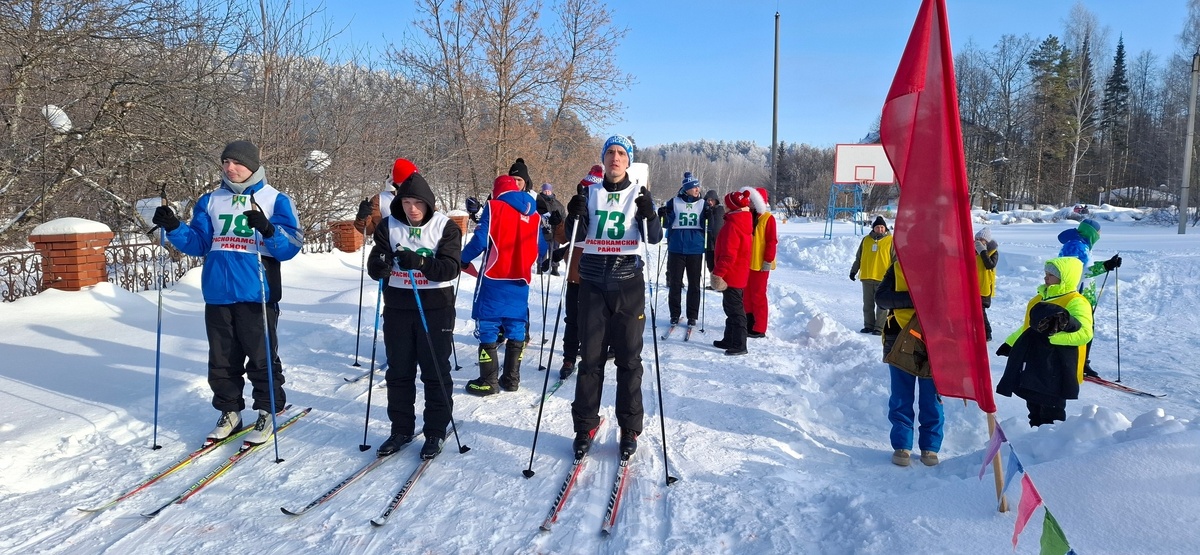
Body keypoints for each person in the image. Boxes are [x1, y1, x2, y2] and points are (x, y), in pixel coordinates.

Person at [152, 140, 303, 445]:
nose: (230, 168)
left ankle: (267, 410)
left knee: (261, 358)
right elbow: (199, 243)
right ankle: (229, 411)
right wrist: (175, 226)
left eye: (237, 162)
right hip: (218, 292)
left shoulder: (275, 199)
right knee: (221, 361)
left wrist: (269, 230)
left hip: (257, 293)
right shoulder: (210, 200)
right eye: (225, 162)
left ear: (253, 166)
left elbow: (291, 246)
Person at [566, 135, 662, 460]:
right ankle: (585, 426)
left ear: (628, 160)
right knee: (590, 361)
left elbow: (654, 237)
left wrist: (650, 214)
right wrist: (573, 215)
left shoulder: (638, 194)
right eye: (610, 152)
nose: (615, 158)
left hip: (627, 285)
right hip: (593, 284)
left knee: (629, 360)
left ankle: (629, 428)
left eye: (621, 153)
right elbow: (575, 236)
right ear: (603, 158)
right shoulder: (589, 192)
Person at [365, 168, 462, 460]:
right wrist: (378, 266)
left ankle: (435, 430)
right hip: (397, 306)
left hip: (435, 307)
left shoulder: (445, 227)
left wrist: (420, 262)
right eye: (407, 202)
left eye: (418, 203)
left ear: (428, 203)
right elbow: (376, 260)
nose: (413, 209)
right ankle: (401, 429)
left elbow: (451, 268)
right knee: (399, 371)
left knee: (435, 370)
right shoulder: (389, 225)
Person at [460, 175, 546, 396]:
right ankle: (511, 378)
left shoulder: (494, 207)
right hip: (520, 280)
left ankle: (488, 381)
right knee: (516, 326)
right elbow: (542, 249)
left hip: (494, 276)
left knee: (488, 325)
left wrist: (462, 258)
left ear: (496, 190)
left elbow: (480, 240)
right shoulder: (534, 215)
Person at [995, 257, 1094, 427]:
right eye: (1046, 273)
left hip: (1057, 366)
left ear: (1065, 278)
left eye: (1051, 275)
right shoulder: (1039, 299)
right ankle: (1035, 434)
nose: (1046, 277)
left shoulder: (1075, 301)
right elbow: (1027, 327)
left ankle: (1051, 438)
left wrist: (1052, 338)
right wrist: (1010, 343)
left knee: (1051, 410)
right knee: (1033, 402)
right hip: (1035, 362)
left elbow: (1084, 333)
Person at [874, 258, 943, 467]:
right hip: (899, 341)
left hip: (935, 341)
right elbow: (882, 299)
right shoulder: (898, 267)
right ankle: (902, 445)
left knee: (932, 399)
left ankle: (930, 447)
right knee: (901, 397)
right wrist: (917, 298)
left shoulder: (944, 268)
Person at [1056, 218, 1121, 377]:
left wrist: (1106, 264)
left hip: (1084, 295)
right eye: (1098, 233)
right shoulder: (1075, 246)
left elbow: (1086, 268)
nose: (1099, 236)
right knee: (1080, 328)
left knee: (1084, 327)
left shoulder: (1081, 245)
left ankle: (1081, 360)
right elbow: (1075, 271)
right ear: (1091, 232)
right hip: (1075, 295)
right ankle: (1075, 361)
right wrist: (1105, 266)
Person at [557, 165, 605, 380]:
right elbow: (566, 237)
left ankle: (594, 354)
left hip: (599, 271)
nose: (588, 194)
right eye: (585, 189)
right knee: (573, 318)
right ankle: (569, 358)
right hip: (577, 273)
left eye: (591, 190)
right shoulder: (577, 206)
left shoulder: (606, 207)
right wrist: (560, 222)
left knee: (597, 319)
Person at [659, 172, 707, 330]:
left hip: (695, 248)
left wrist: (710, 216)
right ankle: (674, 314)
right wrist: (662, 215)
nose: (697, 189)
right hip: (676, 248)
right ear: (686, 189)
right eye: (694, 187)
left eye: (698, 186)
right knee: (675, 283)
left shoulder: (703, 203)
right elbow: (666, 223)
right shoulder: (674, 202)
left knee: (694, 284)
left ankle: (692, 316)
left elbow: (708, 225)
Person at [710, 189, 754, 356]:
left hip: (732, 274)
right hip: (737, 273)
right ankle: (729, 339)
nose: (724, 206)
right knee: (730, 308)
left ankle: (740, 344)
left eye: (726, 203)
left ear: (732, 207)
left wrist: (718, 273)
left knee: (735, 311)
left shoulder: (733, 225)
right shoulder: (740, 221)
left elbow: (729, 255)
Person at [743, 187, 777, 339]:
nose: (749, 202)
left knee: (758, 295)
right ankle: (749, 322)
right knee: (747, 295)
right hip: (747, 263)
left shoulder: (768, 218)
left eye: (752, 200)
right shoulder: (748, 216)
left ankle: (760, 327)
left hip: (761, 264)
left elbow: (771, 241)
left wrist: (768, 260)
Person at [850, 216, 893, 335]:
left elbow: (895, 260)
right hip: (867, 276)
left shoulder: (891, 241)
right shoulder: (866, 240)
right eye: (877, 227)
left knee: (881, 305)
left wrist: (895, 276)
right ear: (873, 228)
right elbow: (859, 257)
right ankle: (868, 325)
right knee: (868, 304)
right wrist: (853, 271)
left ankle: (879, 327)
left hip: (884, 278)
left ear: (885, 228)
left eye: (882, 227)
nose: (880, 229)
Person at [353, 158, 419, 235]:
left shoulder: (422, 196)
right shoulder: (380, 199)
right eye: (407, 181)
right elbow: (369, 230)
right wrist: (362, 218)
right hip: (390, 241)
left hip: (419, 241)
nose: (411, 184)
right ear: (397, 181)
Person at [974, 227, 999, 341]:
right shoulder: (973, 251)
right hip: (974, 285)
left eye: (981, 239)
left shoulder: (993, 252)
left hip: (984, 287)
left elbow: (989, 265)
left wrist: (983, 252)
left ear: (986, 241)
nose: (978, 241)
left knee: (980, 310)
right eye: (977, 239)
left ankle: (987, 333)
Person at [536, 183, 566, 275]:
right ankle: (540, 266)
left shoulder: (558, 204)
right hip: (543, 229)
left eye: (548, 191)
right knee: (542, 248)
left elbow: (563, 216)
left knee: (554, 248)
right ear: (542, 191)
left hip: (555, 230)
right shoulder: (538, 202)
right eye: (545, 191)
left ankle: (554, 267)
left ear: (551, 191)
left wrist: (561, 226)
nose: (547, 192)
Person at [703, 189, 725, 274]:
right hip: (709, 243)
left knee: (719, 264)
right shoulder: (705, 211)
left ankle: (719, 280)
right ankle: (713, 280)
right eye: (708, 200)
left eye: (712, 200)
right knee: (710, 264)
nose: (710, 202)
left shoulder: (721, 210)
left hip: (719, 242)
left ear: (716, 200)